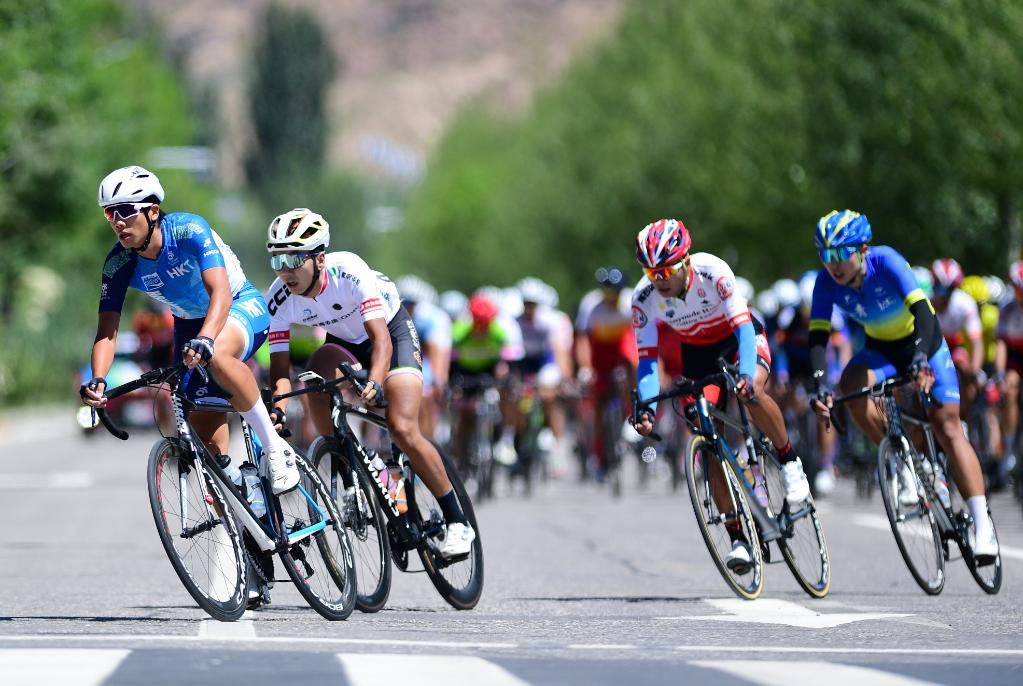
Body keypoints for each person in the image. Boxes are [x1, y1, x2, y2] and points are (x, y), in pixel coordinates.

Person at [261, 208, 474, 557]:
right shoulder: (278, 299)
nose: (285, 270)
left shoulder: (349, 271)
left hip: (389, 332)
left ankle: (457, 521)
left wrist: (375, 381)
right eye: (276, 260)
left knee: (402, 428)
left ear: (319, 259)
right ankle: (352, 470)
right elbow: (280, 370)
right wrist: (279, 411)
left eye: (293, 259)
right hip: (343, 340)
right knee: (314, 378)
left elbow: (381, 341)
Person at [81, 165, 298, 493]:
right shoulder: (118, 263)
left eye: (125, 211)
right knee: (207, 448)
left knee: (218, 355)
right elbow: (107, 332)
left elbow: (220, 292)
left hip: (237, 304)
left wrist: (207, 339)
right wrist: (98, 378)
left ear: (153, 211)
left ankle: (276, 449)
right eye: (110, 213)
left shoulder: (188, 230)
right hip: (188, 324)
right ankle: (241, 497)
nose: (117, 222)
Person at [808, 209, 998, 562]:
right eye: (825, 255)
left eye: (840, 253)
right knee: (850, 386)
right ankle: (903, 459)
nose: (833, 263)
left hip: (923, 342)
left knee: (946, 426)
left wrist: (922, 359)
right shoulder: (826, 282)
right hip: (881, 350)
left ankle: (982, 524)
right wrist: (820, 385)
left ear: (863, 249)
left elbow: (924, 313)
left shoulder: (886, 261)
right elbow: (818, 337)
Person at [629, 218, 811, 572]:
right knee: (706, 435)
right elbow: (648, 360)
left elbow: (743, 330)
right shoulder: (643, 298)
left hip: (738, 339)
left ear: (685, 261)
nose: (659, 280)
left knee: (751, 392)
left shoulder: (713, 272)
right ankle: (738, 537)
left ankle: (790, 463)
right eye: (651, 273)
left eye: (666, 271)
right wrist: (646, 408)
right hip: (698, 355)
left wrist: (746, 375)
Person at [575, 266, 638, 480]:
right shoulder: (590, 304)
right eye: (607, 293)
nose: (611, 298)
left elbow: (641, 336)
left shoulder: (631, 301)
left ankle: (633, 412)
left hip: (623, 346)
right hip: (600, 352)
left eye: (615, 293)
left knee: (635, 362)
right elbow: (583, 340)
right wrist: (585, 367)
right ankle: (599, 454)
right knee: (599, 402)